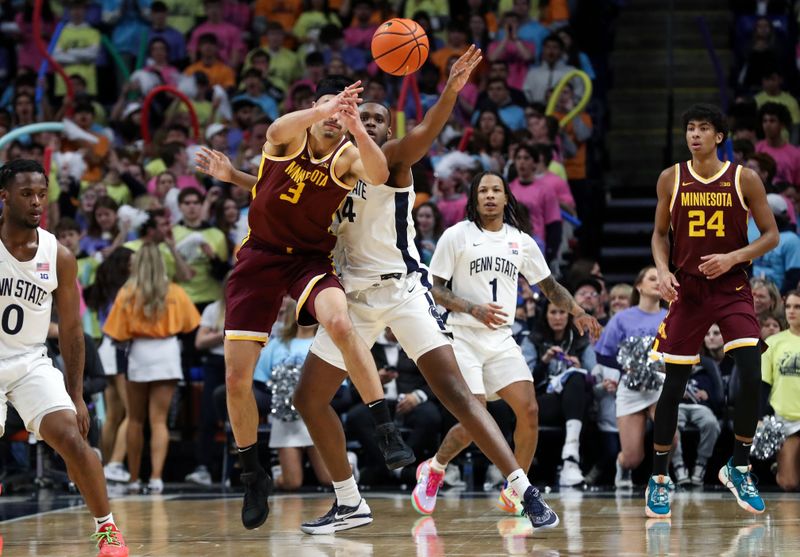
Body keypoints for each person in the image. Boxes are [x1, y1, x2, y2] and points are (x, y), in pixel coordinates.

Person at [194, 75, 410, 530]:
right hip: (260, 258)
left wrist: (354, 126)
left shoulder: (347, 154)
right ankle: (252, 475)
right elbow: (273, 147)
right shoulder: (289, 135)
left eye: (343, 110)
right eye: (329, 107)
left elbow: (379, 174)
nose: (335, 116)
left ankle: (385, 428)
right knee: (236, 377)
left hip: (308, 259)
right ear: (314, 107)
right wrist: (326, 109)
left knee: (341, 323)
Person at [418, 170, 601, 515]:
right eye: (483, 190)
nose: (489, 195)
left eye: (495, 190)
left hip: (502, 338)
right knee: (476, 420)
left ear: (506, 198)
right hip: (464, 335)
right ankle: (435, 467)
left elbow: (548, 286)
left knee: (529, 410)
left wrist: (577, 310)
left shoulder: (521, 240)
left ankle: (514, 489)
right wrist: (473, 308)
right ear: (474, 199)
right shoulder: (457, 236)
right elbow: (435, 288)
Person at [647, 103, 779, 518]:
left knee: (751, 368)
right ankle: (659, 478)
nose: (695, 135)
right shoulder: (672, 177)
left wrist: (733, 256)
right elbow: (659, 234)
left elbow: (771, 235)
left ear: (719, 137)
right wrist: (663, 270)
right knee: (674, 384)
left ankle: (739, 466)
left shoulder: (745, 178)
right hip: (687, 290)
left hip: (732, 285)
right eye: (690, 128)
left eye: (704, 128)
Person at [0, 159, 128, 556]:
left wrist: (76, 395)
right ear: (4, 197)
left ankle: (107, 531)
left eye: (42, 193)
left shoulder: (60, 255)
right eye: (26, 194)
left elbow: (73, 332)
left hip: (30, 361)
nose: (37, 202)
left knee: (72, 437)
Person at [103, 243, 201, 494]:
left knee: (135, 419)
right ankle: (156, 478)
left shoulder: (127, 292)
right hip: (167, 352)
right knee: (159, 422)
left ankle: (135, 478)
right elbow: (191, 325)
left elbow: (115, 333)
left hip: (140, 353)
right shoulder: (175, 292)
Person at [593, 266, 668, 489]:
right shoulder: (622, 319)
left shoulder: (671, 317)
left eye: (660, 279)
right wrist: (628, 366)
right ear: (639, 286)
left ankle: (661, 479)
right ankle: (622, 466)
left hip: (659, 387)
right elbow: (602, 353)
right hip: (631, 388)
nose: (657, 282)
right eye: (652, 279)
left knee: (670, 437)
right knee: (633, 458)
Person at [525, 300, 596, 486]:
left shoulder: (581, 340)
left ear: (569, 316)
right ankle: (570, 460)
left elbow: (595, 377)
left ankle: (570, 459)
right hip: (543, 400)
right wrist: (544, 362)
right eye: (553, 312)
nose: (557, 317)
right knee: (577, 393)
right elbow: (524, 380)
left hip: (573, 400)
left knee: (577, 378)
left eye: (562, 313)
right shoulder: (533, 339)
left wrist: (580, 367)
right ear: (545, 315)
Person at [761, 290, 800, 492]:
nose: (792, 311)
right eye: (788, 307)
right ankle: (783, 465)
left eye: (797, 307)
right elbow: (763, 384)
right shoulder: (773, 343)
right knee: (789, 483)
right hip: (786, 419)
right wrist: (760, 416)